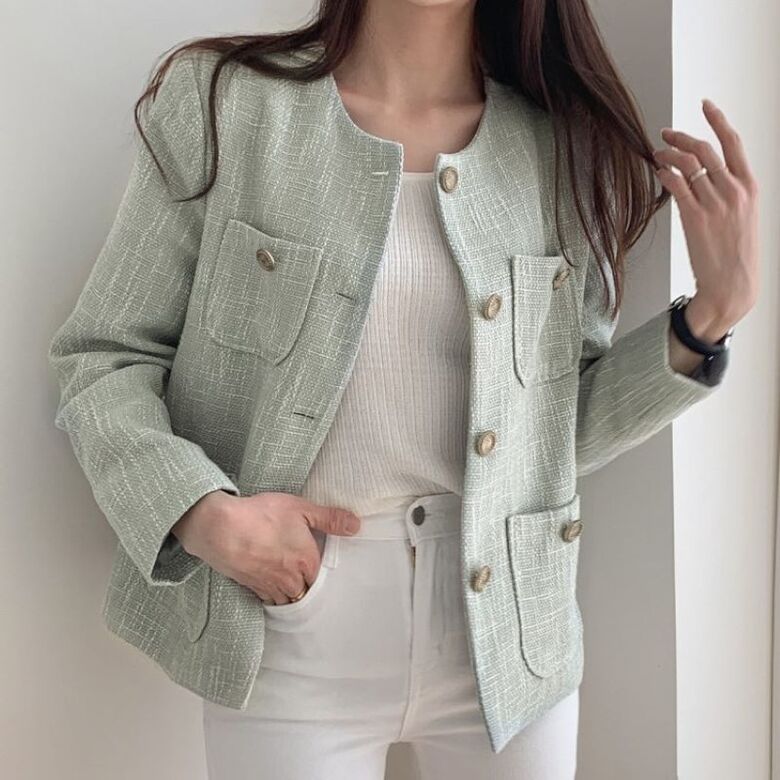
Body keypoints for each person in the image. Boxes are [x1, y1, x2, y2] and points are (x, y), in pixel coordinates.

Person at [47, 0, 758, 777]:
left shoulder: (559, 148)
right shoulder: (226, 103)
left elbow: (550, 433)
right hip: (286, 632)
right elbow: (104, 355)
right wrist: (201, 514)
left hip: (512, 638)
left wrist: (708, 320)